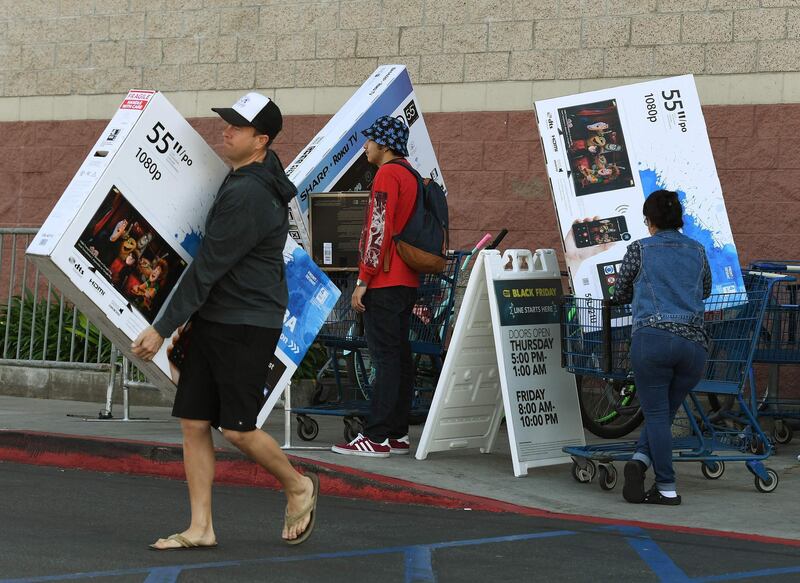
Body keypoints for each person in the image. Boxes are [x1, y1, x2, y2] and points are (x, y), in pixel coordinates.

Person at [131, 92, 319, 548]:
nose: (226, 130)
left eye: (237, 126)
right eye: (227, 122)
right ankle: (201, 528)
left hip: (245, 322)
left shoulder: (250, 192)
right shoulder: (246, 178)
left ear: (262, 140)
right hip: (218, 317)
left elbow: (207, 266)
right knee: (194, 421)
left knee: (236, 426)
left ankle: (298, 485)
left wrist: (162, 326)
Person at [612, 190, 712, 506]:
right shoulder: (697, 250)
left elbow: (618, 292)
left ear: (650, 221)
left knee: (655, 414)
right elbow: (705, 290)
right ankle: (640, 461)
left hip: (653, 340)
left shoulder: (639, 250)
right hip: (693, 345)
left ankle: (667, 487)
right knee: (664, 413)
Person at [331, 115, 419, 458]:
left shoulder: (387, 174)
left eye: (370, 140)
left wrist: (362, 280)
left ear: (384, 144)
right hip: (407, 278)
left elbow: (377, 230)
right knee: (398, 357)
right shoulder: (411, 174)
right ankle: (397, 433)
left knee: (383, 358)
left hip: (385, 279)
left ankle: (377, 435)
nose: (365, 146)